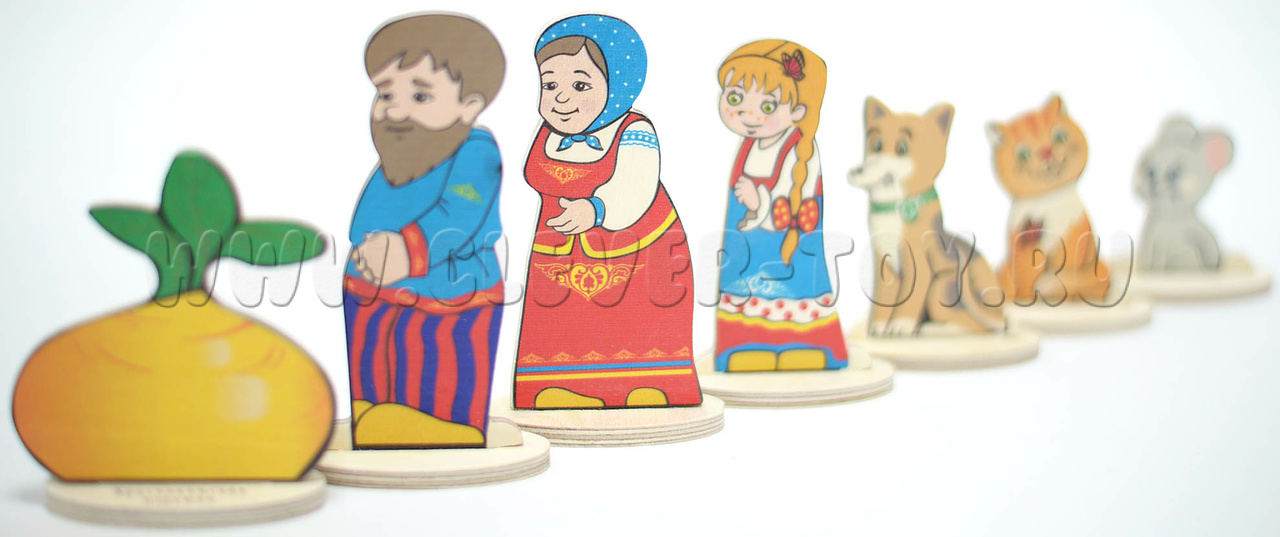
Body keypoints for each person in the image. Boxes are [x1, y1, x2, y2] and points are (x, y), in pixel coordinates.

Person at [513, 14, 702, 409]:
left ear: (619, 84)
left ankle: (648, 385)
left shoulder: (634, 131)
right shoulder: (548, 134)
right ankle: (561, 386)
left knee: (637, 320)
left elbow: (636, 185)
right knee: (561, 323)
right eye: (550, 84)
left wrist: (596, 208)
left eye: (580, 85)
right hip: (559, 255)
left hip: (639, 251)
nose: (560, 98)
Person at [343, 14, 505, 448]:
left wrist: (406, 250)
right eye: (385, 93)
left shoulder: (475, 151)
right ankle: (374, 423)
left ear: (469, 106)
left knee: (440, 379)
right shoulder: (398, 154)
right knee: (373, 375)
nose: (395, 109)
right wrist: (365, 251)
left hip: (451, 299)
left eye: (419, 94)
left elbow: (461, 212)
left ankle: (450, 432)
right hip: (370, 293)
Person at [713, 40, 849, 372]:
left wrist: (759, 202)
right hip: (744, 253)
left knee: (799, 292)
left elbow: (795, 206)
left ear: (798, 111)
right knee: (743, 296)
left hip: (793, 250)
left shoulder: (802, 152)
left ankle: (807, 346)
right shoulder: (746, 147)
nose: (749, 115)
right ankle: (743, 346)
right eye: (736, 99)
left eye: (768, 105)